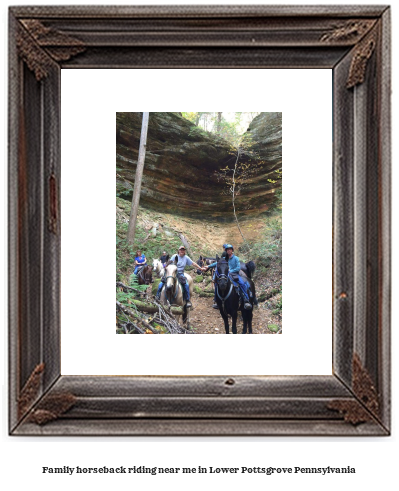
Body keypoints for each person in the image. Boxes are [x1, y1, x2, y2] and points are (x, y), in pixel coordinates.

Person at [205, 244, 252, 310]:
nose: (229, 251)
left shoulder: (236, 258)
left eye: (230, 249)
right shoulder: (224, 259)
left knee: (242, 283)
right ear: (226, 251)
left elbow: (238, 268)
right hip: (226, 275)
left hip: (234, 274)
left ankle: (246, 300)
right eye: (227, 250)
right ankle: (217, 301)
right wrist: (208, 266)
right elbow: (217, 263)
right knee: (217, 284)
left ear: (232, 250)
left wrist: (230, 271)